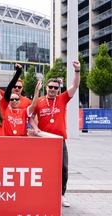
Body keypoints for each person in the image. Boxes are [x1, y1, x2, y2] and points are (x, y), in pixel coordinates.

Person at [31, 60, 81, 208]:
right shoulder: (39, 101)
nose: (53, 89)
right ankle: (43, 193)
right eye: (50, 87)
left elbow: (75, 86)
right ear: (46, 88)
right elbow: (31, 117)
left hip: (59, 141)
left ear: (58, 89)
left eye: (55, 88)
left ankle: (61, 195)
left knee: (64, 168)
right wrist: (36, 128)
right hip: (44, 141)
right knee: (43, 168)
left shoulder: (62, 99)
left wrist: (77, 71)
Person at [1, 65, 42, 136]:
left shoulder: (24, 110)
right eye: (12, 99)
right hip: (7, 139)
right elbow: (6, 89)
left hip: (22, 139)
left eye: (16, 99)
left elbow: (33, 107)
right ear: (8, 101)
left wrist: (36, 91)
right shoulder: (4, 109)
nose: (14, 100)